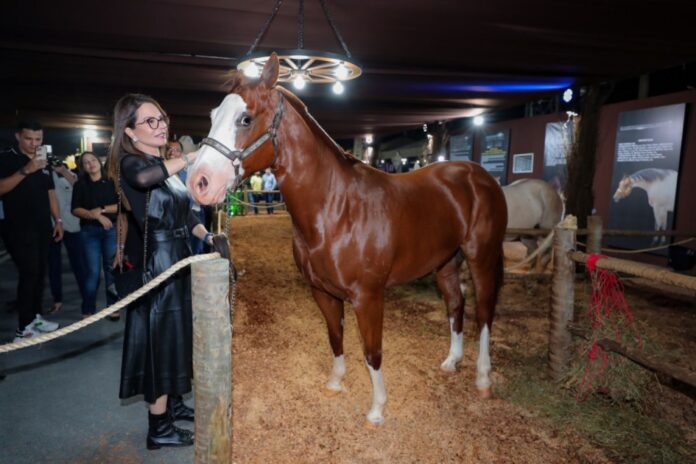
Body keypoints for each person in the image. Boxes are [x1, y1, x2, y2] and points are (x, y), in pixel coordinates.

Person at [106, 93, 226, 450]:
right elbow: (144, 179)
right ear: (129, 131)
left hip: (179, 258)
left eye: (162, 119)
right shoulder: (131, 164)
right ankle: (158, 428)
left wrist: (209, 235)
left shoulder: (163, 166)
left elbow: (185, 215)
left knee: (176, 338)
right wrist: (190, 156)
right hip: (158, 264)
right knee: (159, 346)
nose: (160, 126)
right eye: (150, 121)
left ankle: (172, 407)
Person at [0, 120, 61, 341]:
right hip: (17, 227)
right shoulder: (6, 157)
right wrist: (26, 170)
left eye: (38, 139)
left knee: (39, 273)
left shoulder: (43, 159)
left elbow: (50, 192)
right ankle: (22, 329)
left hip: (42, 226)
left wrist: (59, 220)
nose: (34, 144)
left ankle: (35, 317)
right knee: (29, 273)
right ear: (18, 136)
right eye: (28, 139)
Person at [71, 152, 120, 320]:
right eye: (86, 162)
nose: (91, 164)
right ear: (82, 167)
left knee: (111, 269)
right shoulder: (80, 185)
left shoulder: (111, 182)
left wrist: (102, 209)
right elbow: (75, 209)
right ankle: (88, 308)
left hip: (110, 231)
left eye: (93, 160)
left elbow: (121, 206)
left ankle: (112, 307)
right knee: (92, 272)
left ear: (99, 161)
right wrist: (97, 216)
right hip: (89, 232)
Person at [48, 162, 86, 315]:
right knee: (53, 266)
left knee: (79, 265)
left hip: (73, 226)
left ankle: (87, 298)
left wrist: (63, 171)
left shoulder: (72, 176)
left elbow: (80, 189)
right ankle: (57, 300)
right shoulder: (45, 177)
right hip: (51, 226)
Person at [167, 139, 207, 254]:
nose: (172, 152)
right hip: (170, 221)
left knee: (194, 252)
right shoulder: (160, 173)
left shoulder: (190, 173)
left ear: (182, 154)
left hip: (192, 215)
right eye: (169, 149)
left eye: (176, 150)